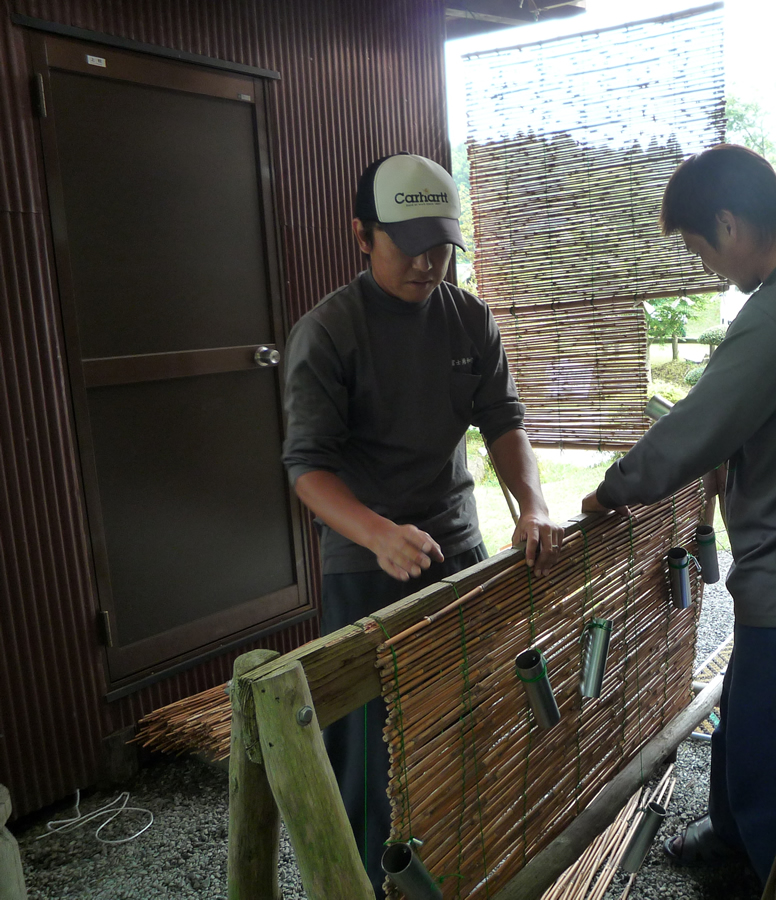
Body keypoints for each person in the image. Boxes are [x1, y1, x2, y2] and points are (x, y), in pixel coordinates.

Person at [582, 144, 776, 882]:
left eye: (698, 247)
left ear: (729, 223)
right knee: (752, 732)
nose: (704, 266)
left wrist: (612, 490)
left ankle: (762, 872)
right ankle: (732, 838)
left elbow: (700, 423)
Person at [282, 152, 562, 897]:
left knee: (461, 715)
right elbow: (307, 468)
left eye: (440, 243)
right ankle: (369, 883)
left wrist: (531, 503)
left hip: (457, 545)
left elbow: (503, 421)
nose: (428, 260)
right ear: (361, 235)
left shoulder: (467, 316)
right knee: (371, 746)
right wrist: (375, 532)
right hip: (364, 562)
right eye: (408, 243)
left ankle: (461, 864)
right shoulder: (330, 332)